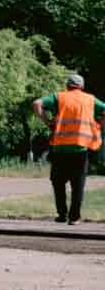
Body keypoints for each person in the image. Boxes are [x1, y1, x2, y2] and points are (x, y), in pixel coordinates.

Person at [32, 74, 103, 224]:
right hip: (80, 149)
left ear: (67, 86)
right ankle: (74, 217)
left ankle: (62, 214)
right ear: (82, 87)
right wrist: (99, 125)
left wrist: (48, 122)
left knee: (58, 183)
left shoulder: (59, 97)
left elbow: (36, 103)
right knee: (78, 185)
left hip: (59, 149)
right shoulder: (90, 99)